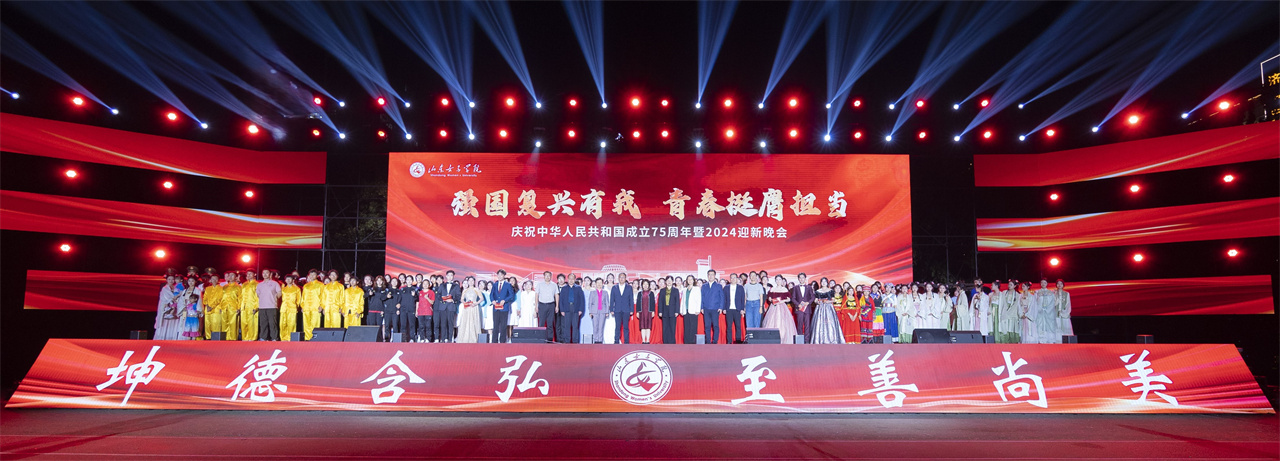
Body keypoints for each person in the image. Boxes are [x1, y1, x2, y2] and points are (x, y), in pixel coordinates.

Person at [763, 275, 798, 344]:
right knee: (772, 321)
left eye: (779, 279)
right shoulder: (772, 289)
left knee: (783, 322)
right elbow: (769, 298)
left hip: (782, 307)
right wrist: (772, 300)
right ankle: (772, 338)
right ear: (775, 281)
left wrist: (782, 301)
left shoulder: (784, 289)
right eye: (777, 279)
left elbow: (788, 299)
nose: (778, 281)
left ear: (782, 280)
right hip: (773, 307)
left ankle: (783, 337)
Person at [809, 278, 844, 344]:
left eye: (825, 281)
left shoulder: (831, 291)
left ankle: (831, 339)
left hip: (828, 308)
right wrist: (817, 302)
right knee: (819, 323)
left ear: (827, 283)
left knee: (830, 322)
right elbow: (815, 300)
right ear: (820, 283)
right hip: (820, 308)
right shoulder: (818, 291)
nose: (824, 283)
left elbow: (833, 300)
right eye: (822, 281)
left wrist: (828, 302)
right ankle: (819, 340)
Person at [434, 271, 461, 342]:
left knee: (450, 324)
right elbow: (438, 295)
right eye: (448, 275)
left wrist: (452, 300)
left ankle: (450, 339)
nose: (449, 277)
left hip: (451, 306)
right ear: (446, 276)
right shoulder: (442, 285)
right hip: (443, 306)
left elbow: (458, 296)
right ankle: (443, 339)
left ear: (453, 276)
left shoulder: (456, 286)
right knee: (443, 324)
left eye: (451, 275)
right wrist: (443, 299)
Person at [155, 275, 183, 340]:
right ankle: (162, 338)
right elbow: (165, 298)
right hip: (166, 308)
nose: (171, 281)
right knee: (165, 323)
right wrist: (172, 300)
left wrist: (177, 299)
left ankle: (172, 338)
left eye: (172, 279)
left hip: (175, 308)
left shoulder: (177, 287)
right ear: (167, 280)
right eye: (169, 279)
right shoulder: (165, 288)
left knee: (174, 322)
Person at [700, 269, 725, 344]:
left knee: (715, 326)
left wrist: (721, 307)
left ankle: (715, 341)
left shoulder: (718, 286)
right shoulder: (704, 286)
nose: (710, 276)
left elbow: (722, 297)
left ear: (715, 276)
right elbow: (702, 297)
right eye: (709, 275)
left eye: (712, 275)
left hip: (715, 309)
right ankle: (708, 341)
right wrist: (702, 307)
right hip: (706, 309)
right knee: (707, 326)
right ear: (707, 276)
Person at [491, 270, 516, 343]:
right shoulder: (495, 284)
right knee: (495, 325)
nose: (499, 276)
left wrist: (505, 300)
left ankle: (502, 341)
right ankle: (494, 341)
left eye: (501, 275)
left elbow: (511, 295)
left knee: (503, 326)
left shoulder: (508, 285)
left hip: (504, 308)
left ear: (504, 276)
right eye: (498, 275)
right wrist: (492, 300)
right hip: (495, 308)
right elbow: (491, 294)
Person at [610, 272, 635, 344]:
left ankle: (626, 342)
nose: (621, 279)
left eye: (623, 277)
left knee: (626, 327)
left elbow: (631, 299)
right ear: (618, 278)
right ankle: (616, 341)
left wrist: (631, 309)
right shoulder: (614, 287)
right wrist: (611, 309)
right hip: (617, 310)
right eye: (620, 277)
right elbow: (612, 299)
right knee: (617, 327)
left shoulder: (629, 287)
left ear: (625, 278)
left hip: (626, 310)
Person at [558, 274, 583, 343]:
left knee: (575, 326)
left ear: (575, 280)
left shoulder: (578, 288)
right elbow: (561, 300)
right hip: (566, 308)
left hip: (575, 309)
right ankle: (567, 341)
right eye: (570, 279)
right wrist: (562, 310)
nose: (571, 280)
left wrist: (580, 309)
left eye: (572, 279)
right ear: (568, 279)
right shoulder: (564, 288)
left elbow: (581, 300)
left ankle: (575, 341)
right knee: (567, 326)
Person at [456, 277, 482, 343]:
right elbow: (462, 299)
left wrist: (476, 303)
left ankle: (473, 338)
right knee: (465, 321)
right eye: (469, 280)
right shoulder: (465, 290)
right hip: (467, 307)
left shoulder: (476, 289)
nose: (471, 282)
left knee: (473, 321)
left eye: (472, 280)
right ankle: (464, 338)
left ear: (474, 282)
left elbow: (481, 298)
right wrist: (465, 303)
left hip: (474, 307)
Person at [791, 273, 814, 339]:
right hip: (799, 309)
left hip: (807, 309)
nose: (801, 279)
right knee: (799, 325)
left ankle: (807, 340)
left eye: (803, 277)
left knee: (807, 325)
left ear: (805, 278)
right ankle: (800, 340)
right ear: (798, 279)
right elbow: (793, 298)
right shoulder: (795, 288)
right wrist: (798, 304)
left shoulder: (809, 287)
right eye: (800, 278)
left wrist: (808, 303)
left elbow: (812, 297)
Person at [724, 273, 745, 344]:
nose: (733, 279)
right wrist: (724, 308)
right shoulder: (726, 287)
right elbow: (724, 299)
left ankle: (738, 341)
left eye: (734, 278)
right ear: (730, 279)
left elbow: (742, 299)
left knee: (738, 326)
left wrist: (742, 309)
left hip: (737, 309)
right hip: (729, 309)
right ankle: (729, 341)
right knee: (729, 327)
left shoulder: (740, 287)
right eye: (731, 278)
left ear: (737, 279)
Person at [657, 277, 680, 344]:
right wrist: (660, 311)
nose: (669, 282)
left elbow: (677, 302)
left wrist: (677, 311)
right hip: (664, 310)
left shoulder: (676, 290)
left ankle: (672, 342)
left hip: (673, 311)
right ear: (666, 282)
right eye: (667, 280)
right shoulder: (662, 290)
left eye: (670, 280)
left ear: (672, 282)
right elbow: (660, 302)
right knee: (665, 327)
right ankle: (665, 341)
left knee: (672, 327)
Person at [239, 269, 260, 341]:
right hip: (244, 306)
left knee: (252, 323)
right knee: (244, 322)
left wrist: (256, 307)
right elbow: (241, 296)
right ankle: (244, 337)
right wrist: (240, 306)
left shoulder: (257, 284)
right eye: (247, 274)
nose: (248, 275)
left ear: (254, 274)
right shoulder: (244, 284)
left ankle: (252, 337)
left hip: (252, 306)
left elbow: (258, 297)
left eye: (250, 274)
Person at [279, 274, 301, 341]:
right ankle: (283, 338)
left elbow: (299, 299)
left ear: (293, 280)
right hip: (284, 308)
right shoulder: (283, 289)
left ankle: (291, 338)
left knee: (291, 324)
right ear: (285, 280)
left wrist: (296, 306)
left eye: (290, 279)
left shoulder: (297, 289)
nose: (288, 280)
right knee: (282, 324)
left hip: (292, 308)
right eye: (287, 279)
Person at [202, 274, 224, 340]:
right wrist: (207, 305)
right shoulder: (207, 288)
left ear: (218, 280)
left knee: (216, 324)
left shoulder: (221, 288)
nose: (214, 280)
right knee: (207, 325)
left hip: (216, 309)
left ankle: (216, 339)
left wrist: (211, 306)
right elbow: (204, 298)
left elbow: (220, 298)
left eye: (216, 279)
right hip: (208, 309)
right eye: (213, 279)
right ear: (210, 280)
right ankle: (208, 338)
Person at [635, 279, 656, 344]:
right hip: (642, 312)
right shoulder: (639, 293)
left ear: (649, 285)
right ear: (642, 285)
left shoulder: (651, 293)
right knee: (642, 326)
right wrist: (637, 311)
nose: (645, 285)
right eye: (644, 284)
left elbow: (653, 303)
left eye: (647, 284)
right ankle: (643, 340)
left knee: (648, 326)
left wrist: (653, 311)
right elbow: (638, 303)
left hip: (649, 311)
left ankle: (648, 340)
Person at [681, 276, 701, 344]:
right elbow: (683, 300)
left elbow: (698, 299)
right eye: (688, 279)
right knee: (686, 326)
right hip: (685, 310)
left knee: (693, 326)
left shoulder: (697, 289)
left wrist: (697, 309)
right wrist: (681, 310)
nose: (689, 280)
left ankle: (692, 341)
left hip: (693, 310)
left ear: (693, 280)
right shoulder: (684, 289)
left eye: (691, 279)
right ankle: (686, 341)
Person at [416, 277, 436, 343]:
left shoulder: (431, 292)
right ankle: (422, 338)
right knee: (421, 326)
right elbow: (417, 302)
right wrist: (416, 311)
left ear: (429, 285)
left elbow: (432, 302)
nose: (425, 285)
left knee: (428, 326)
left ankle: (428, 338)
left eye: (427, 284)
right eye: (424, 284)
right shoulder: (420, 292)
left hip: (428, 312)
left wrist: (427, 298)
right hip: (420, 312)